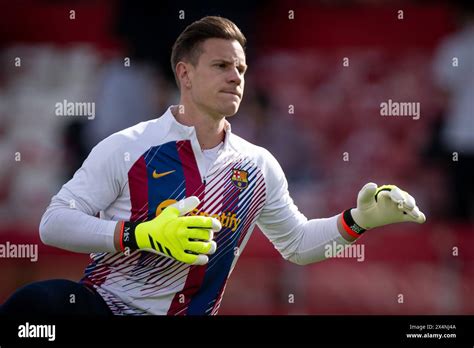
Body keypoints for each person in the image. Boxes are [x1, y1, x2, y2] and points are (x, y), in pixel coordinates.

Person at [1, 16, 425, 316]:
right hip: (104, 312)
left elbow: (296, 245)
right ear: (185, 74)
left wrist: (358, 221)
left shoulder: (258, 166)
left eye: (241, 68)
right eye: (221, 65)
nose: (236, 77)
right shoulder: (127, 147)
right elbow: (53, 223)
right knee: (37, 308)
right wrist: (140, 234)